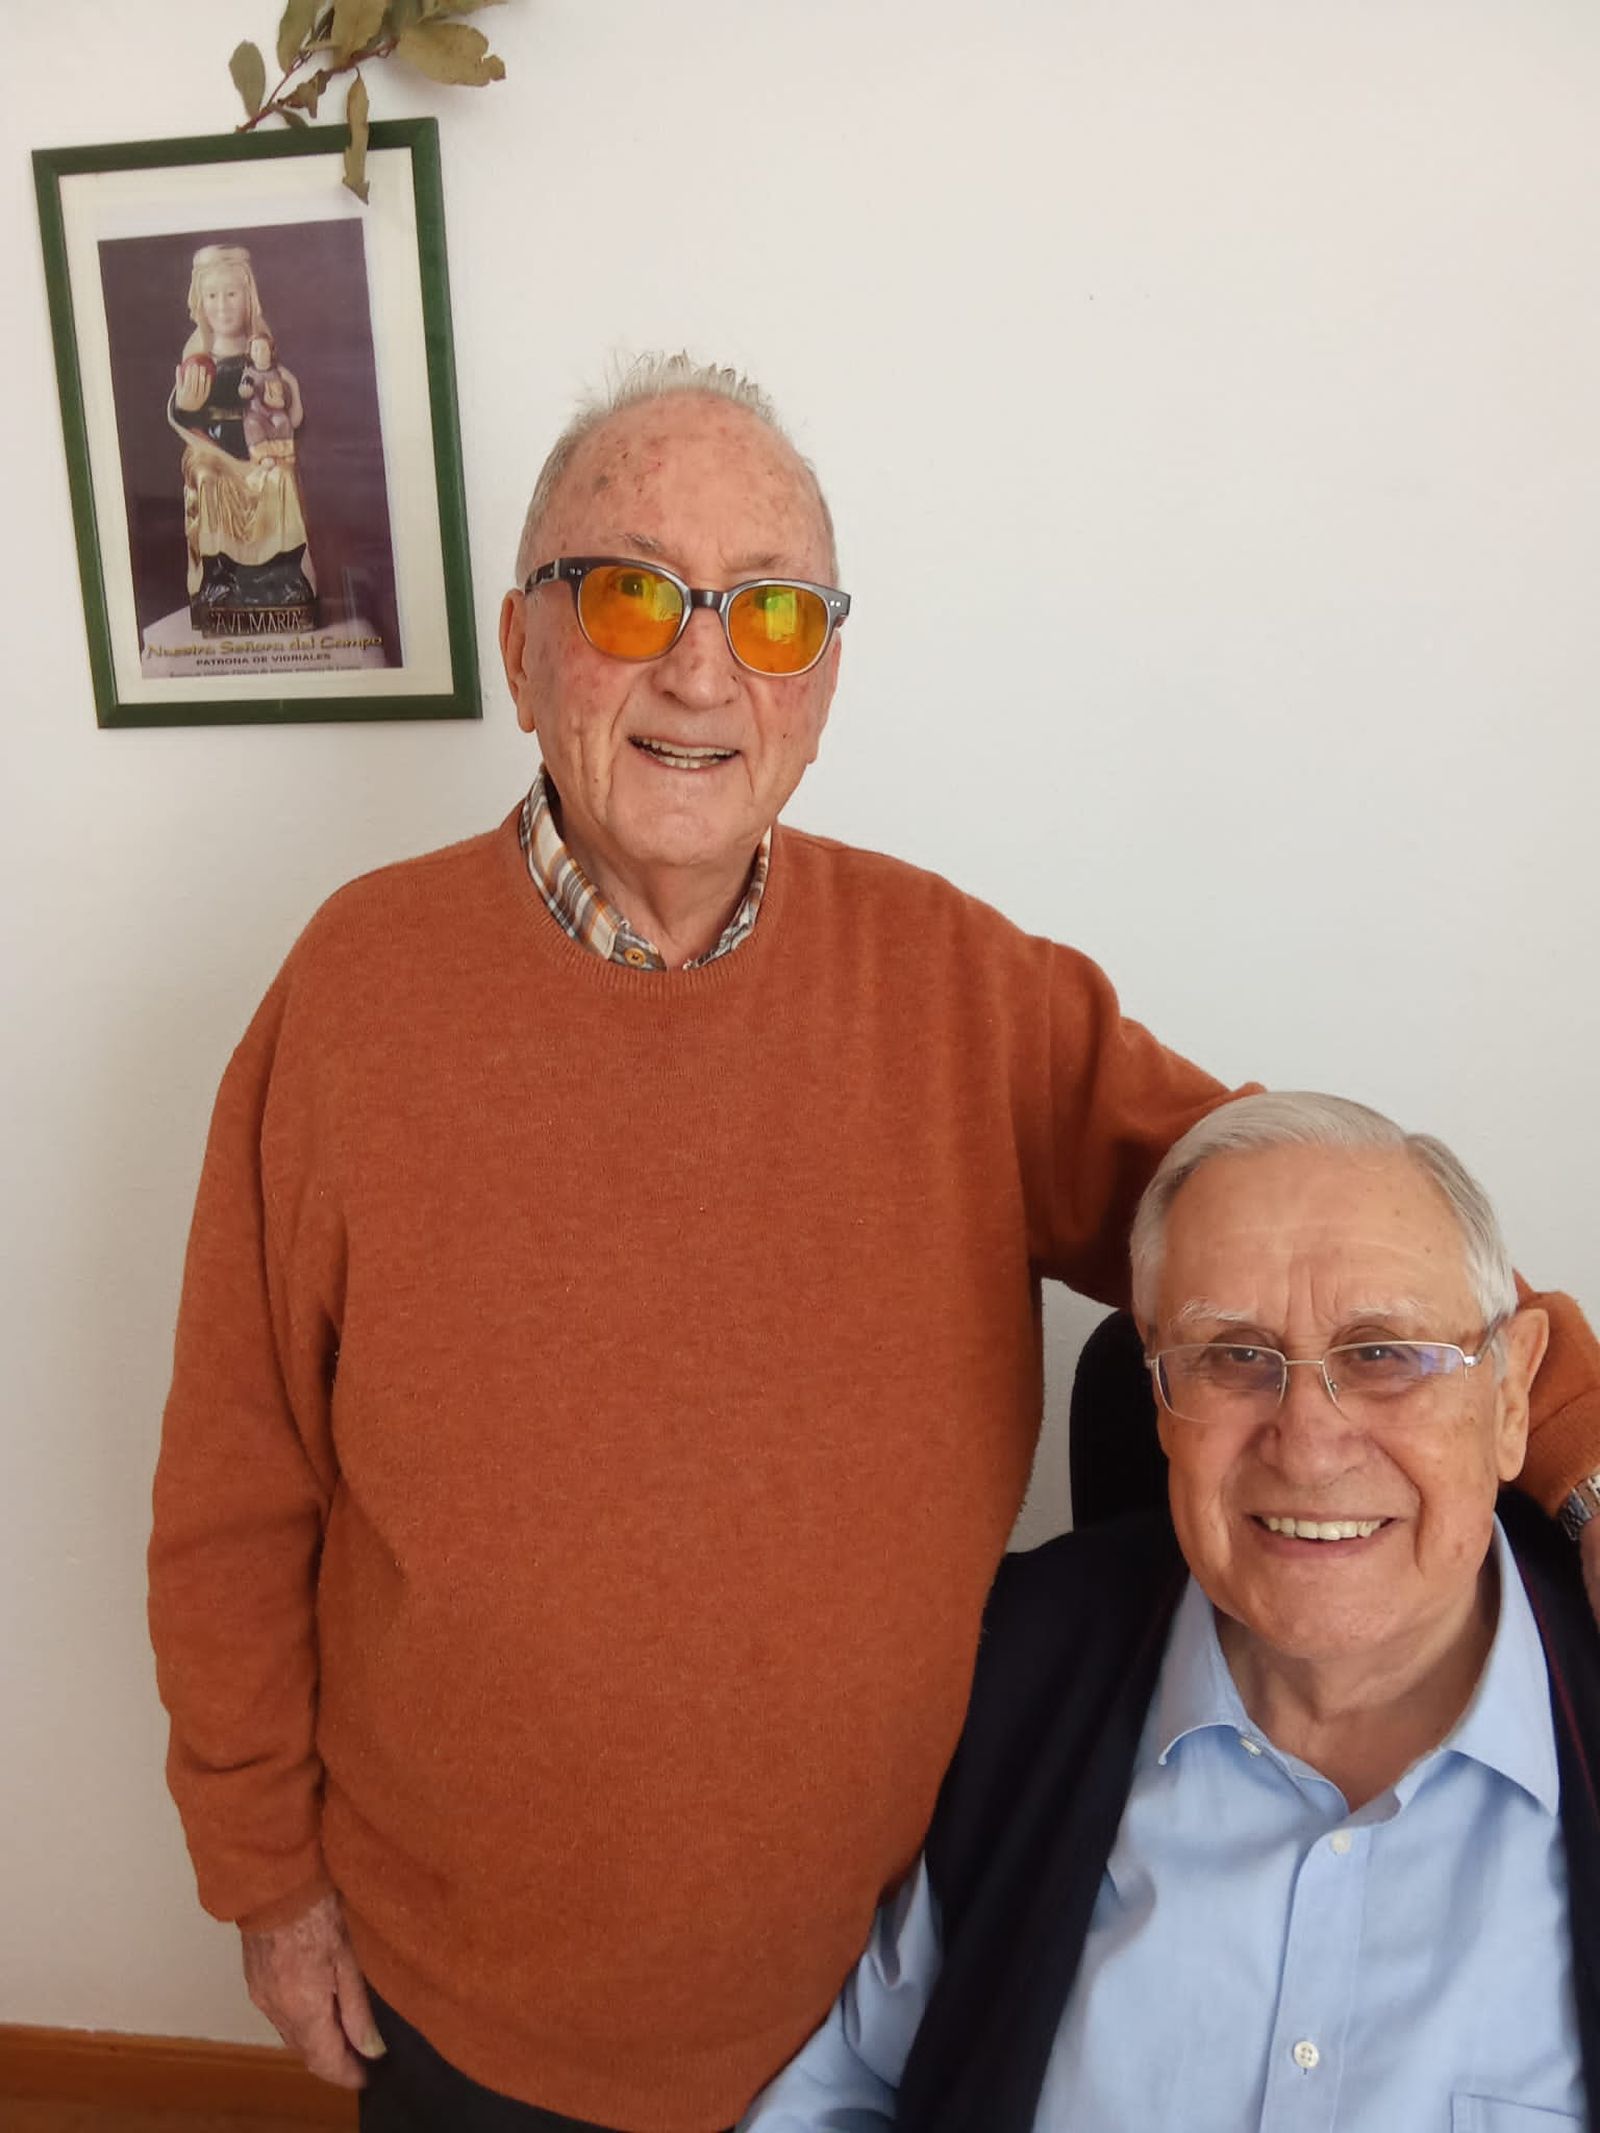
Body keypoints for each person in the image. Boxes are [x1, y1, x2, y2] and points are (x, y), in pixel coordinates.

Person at [148, 358, 1600, 2133]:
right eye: (630, 595)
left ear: (822, 681)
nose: (702, 668)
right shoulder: (353, 995)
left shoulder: (965, 994)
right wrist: (262, 1872)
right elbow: (236, 1485)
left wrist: (1580, 1443)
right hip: (460, 1998)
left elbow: (1321, 1231)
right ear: (528, 648)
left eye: (769, 612)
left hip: (867, 1997)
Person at [740, 1092, 1600, 2131]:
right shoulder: (1009, 1671)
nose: (1308, 1440)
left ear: (1510, 1403)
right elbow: (846, 2091)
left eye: (1381, 1354)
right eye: (1232, 1355)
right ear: (1157, 1399)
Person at [168, 243, 313, 631]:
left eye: (231, 294)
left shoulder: (259, 349)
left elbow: (284, 408)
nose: (222, 305)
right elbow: (183, 418)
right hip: (213, 451)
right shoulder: (196, 352)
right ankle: (221, 578)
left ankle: (278, 578)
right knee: (206, 478)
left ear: (248, 297)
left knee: (280, 478)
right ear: (200, 301)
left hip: (259, 450)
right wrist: (186, 404)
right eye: (212, 295)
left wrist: (280, 397)